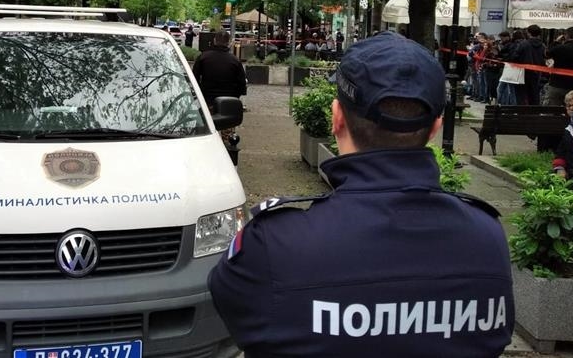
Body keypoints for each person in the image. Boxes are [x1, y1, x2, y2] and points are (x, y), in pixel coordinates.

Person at [209, 32, 514, 357]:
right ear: (435, 128)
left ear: (337, 118)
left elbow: (232, 311)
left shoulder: (272, 244)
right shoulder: (487, 238)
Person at [192, 31, 247, 107]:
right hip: (228, 101)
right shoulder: (235, 61)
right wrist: (235, 96)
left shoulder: (203, 57)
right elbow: (242, 84)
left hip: (206, 100)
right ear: (228, 42)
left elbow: (194, 78)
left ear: (214, 40)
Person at [552, 90, 573, 181]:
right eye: (568, 105)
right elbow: (560, 152)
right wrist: (560, 168)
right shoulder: (569, 129)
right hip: (571, 171)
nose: (571, 108)